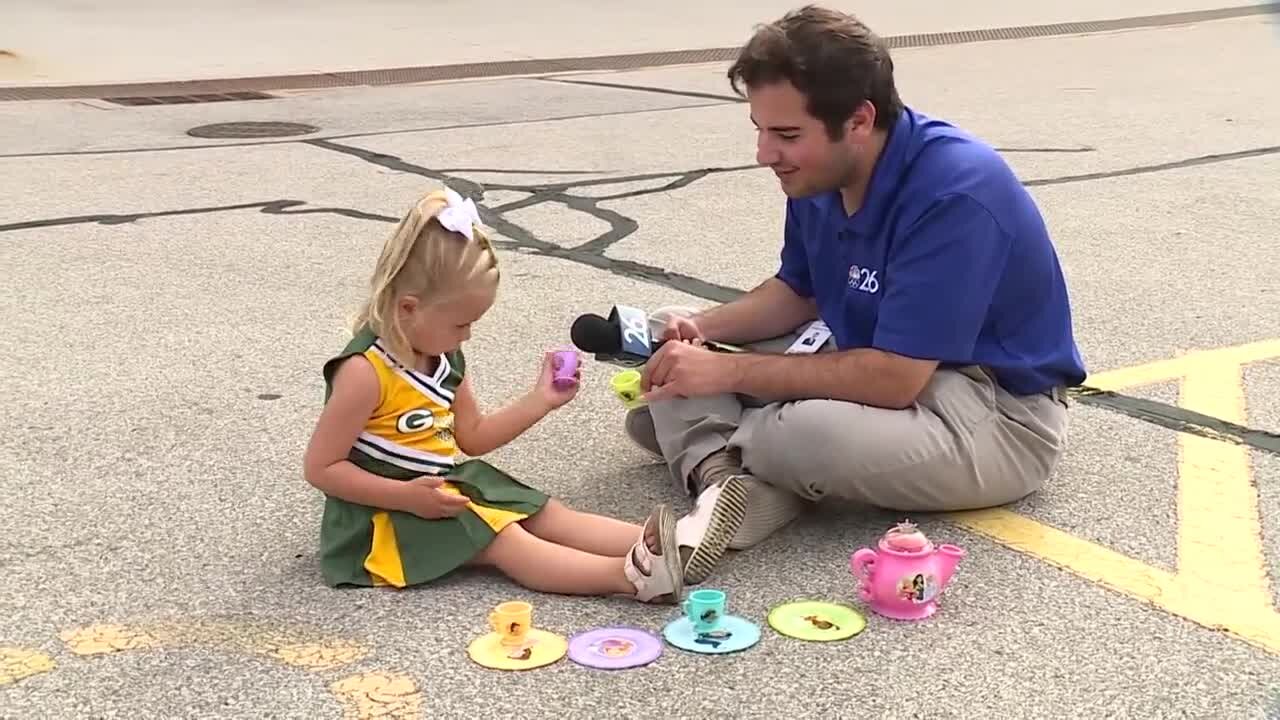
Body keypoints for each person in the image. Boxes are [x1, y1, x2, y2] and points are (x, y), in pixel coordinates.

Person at [626, 5, 1088, 586]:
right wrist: (699, 329)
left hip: (991, 409)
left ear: (859, 119)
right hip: (875, 360)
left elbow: (894, 380)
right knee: (675, 332)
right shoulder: (818, 172)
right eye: (761, 130)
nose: (766, 153)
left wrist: (725, 377)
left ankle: (713, 452)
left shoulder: (955, 192)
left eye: (787, 134)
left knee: (800, 432)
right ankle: (732, 476)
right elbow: (798, 295)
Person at [302, 187, 683, 604]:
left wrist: (541, 399)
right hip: (380, 520)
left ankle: (673, 545)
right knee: (505, 539)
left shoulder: (442, 354)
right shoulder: (365, 372)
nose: (466, 335)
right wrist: (405, 497)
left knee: (543, 512)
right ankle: (631, 577)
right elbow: (322, 468)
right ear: (408, 308)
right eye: (460, 323)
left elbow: (474, 436)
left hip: (433, 491)